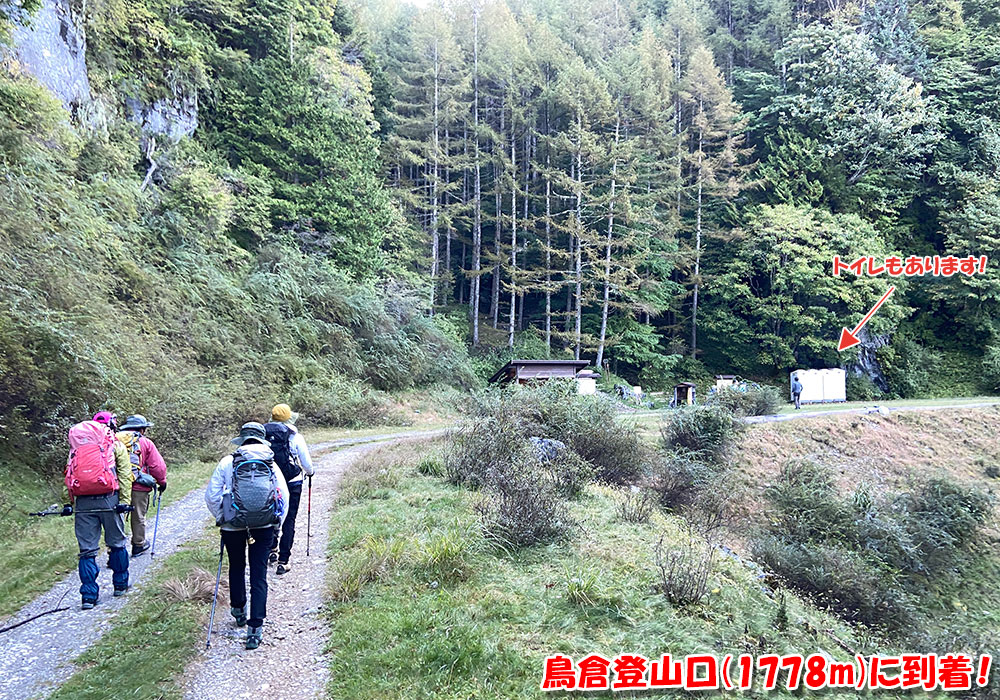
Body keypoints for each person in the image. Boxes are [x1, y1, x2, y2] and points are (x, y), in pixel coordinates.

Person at [205, 422, 289, 650]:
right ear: (262, 440)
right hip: (263, 525)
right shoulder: (270, 463)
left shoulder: (227, 462)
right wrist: (276, 522)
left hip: (233, 526)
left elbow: (211, 495)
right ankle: (255, 628)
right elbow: (284, 495)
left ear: (242, 441)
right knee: (259, 573)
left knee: (237, 566)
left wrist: (222, 517)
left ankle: (238, 609)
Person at [63, 416, 133, 609]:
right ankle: (120, 585)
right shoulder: (114, 444)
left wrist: (68, 502)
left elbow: (69, 474)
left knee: (87, 550)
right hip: (109, 498)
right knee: (117, 543)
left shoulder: (77, 448)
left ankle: (88, 596)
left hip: (83, 502)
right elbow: (125, 474)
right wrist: (125, 501)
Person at [265, 403, 315, 575]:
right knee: (289, 519)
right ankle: (283, 561)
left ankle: (271, 550)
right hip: (292, 481)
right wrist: (310, 472)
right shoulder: (295, 436)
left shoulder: (264, 434)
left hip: (271, 484)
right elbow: (306, 463)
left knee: (271, 515)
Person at [117, 415, 167, 557]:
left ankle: (114, 549)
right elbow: (157, 466)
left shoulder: (114, 441)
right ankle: (138, 544)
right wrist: (162, 481)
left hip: (117, 486)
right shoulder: (145, 443)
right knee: (138, 515)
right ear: (142, 429)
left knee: (117, 515)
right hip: (138, 485)